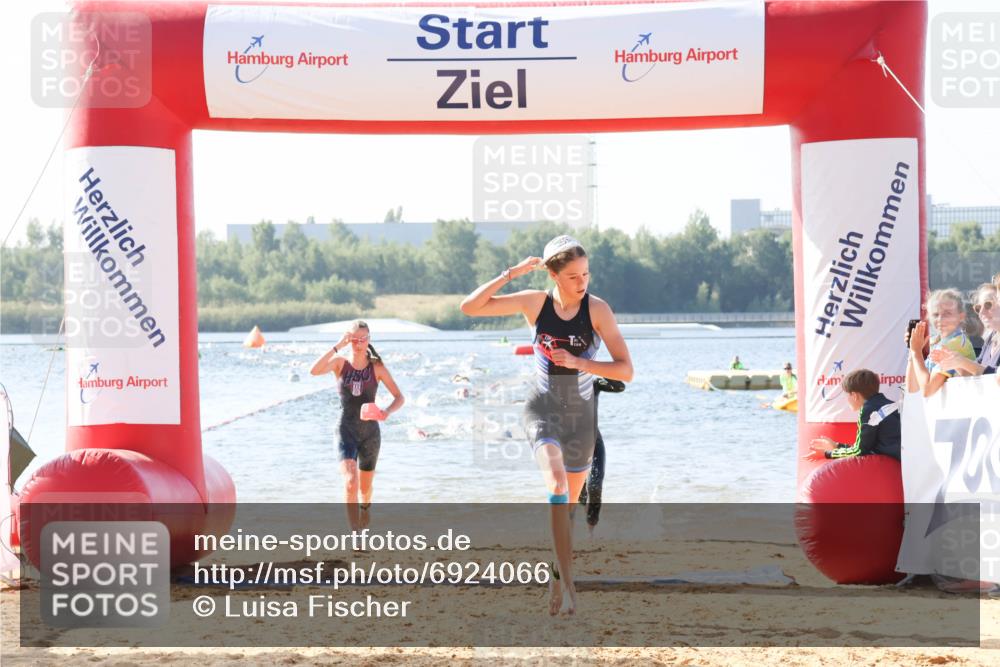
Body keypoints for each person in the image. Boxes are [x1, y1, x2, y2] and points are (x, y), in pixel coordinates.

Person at [460, 235, 633, 616]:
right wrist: (512, 273)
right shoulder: (535, 302)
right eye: (573, 276)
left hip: (581, 418)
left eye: (586, 274)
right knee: (556, 485)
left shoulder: (598, 310)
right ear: (554, 275)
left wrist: (580, 363)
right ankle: (570, 588)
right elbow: (470, 307)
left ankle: (556, 580)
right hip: (543, 409)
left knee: (566, 509)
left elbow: (626, 370)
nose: (582, 282)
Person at [310, 320, 405, 530]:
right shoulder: (339, 363)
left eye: (363, 339)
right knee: (351, 482)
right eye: (354, 339)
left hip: (370, 433)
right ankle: (356, 533)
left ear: (369, 340)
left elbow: (399, 397)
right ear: (348, 339)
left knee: (365, 489)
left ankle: (366, 508)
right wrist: (338, 345)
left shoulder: (376, 367)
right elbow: (314, 370)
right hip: (345, 430)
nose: (358, 343)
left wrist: (386, 412)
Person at [804, 369, 900, 462]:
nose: (847, 399)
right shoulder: (891, 404)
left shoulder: (868, 410)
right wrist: (836, 445)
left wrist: (827, 454)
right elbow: (864, 448)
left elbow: (859, 451)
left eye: (847, 395)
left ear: (854, 396)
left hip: (900, 465)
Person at [905, 288, 976, 398]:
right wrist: (912, 350)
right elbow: (912, 388)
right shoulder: (936, 342)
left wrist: (916, 352)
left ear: (961, 316)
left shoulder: (955, 343)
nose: (940, 319)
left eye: (947, 313)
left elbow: (927, 390)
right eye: (935, 314)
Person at [578, 376, 626, 530]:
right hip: (572, 444)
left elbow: (619, 386)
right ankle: (578, 524)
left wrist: (600, 369)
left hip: (594, 440)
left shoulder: (595, 384)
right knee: (579, 490)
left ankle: (591, 531)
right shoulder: (563, 386)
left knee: (595, 484)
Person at [930, 282, 999, 377]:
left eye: (988, 304)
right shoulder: (991, 340)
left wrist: (963, 362)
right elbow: (976, 373)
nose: (981, 312)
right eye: (978, 308)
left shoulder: (959, 342)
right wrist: (955, 362)